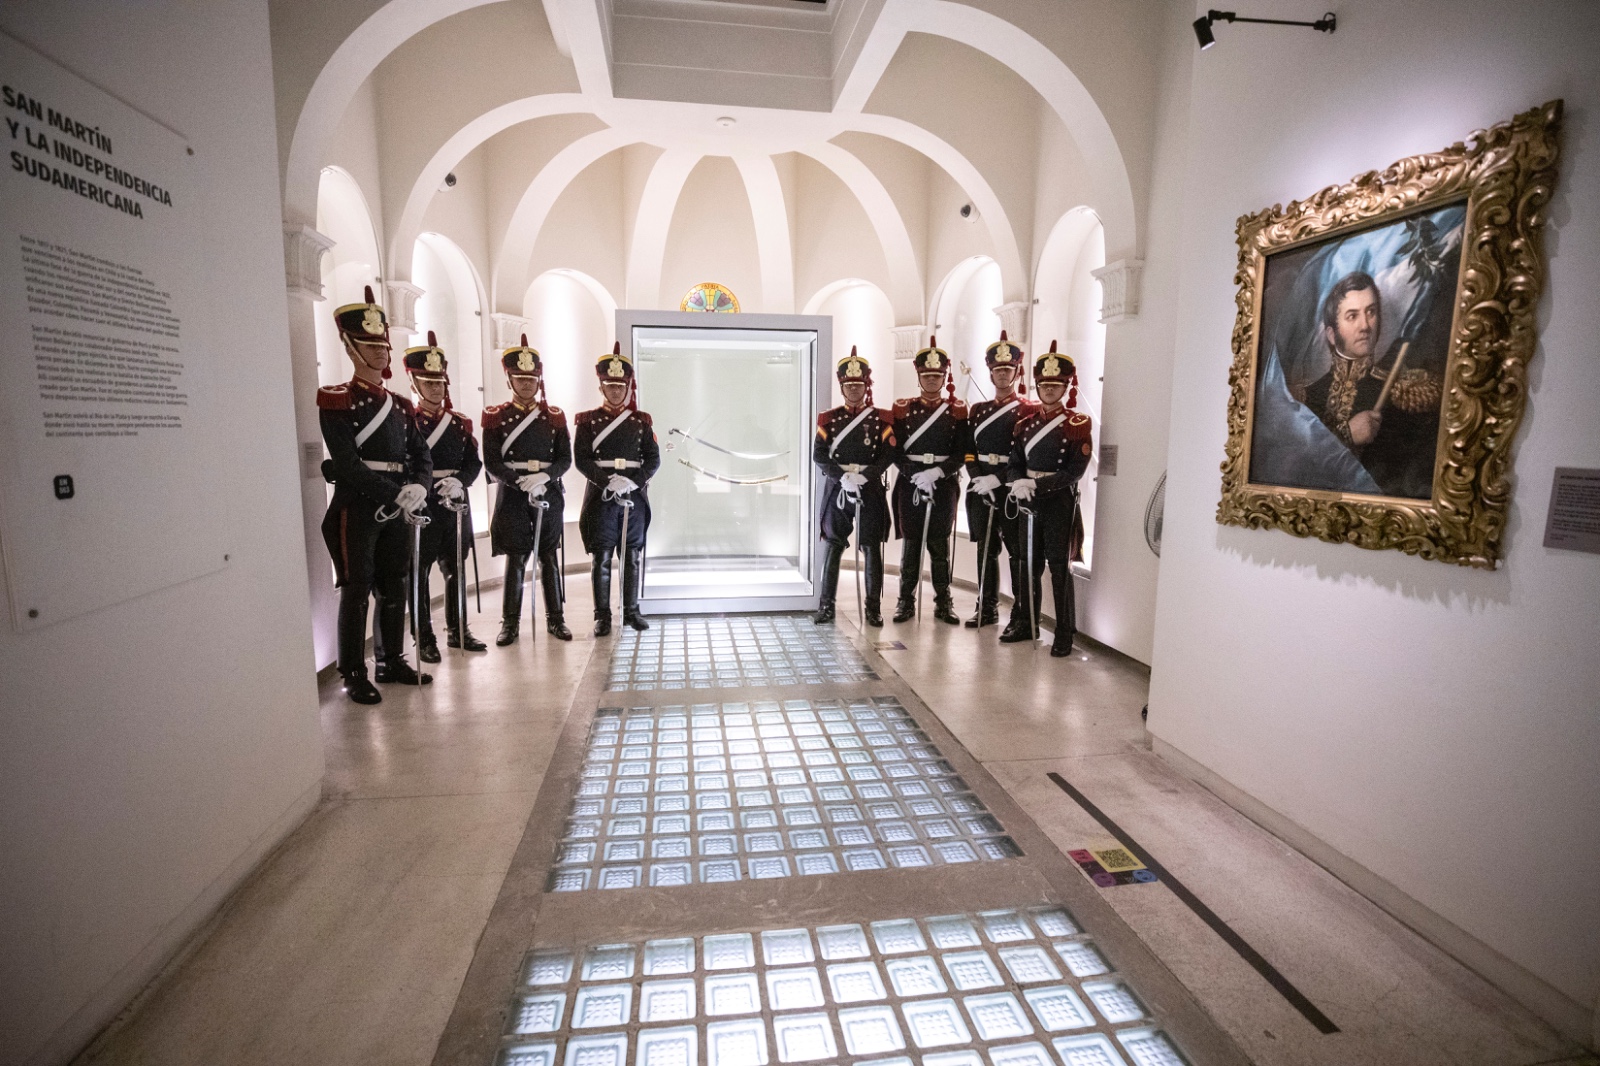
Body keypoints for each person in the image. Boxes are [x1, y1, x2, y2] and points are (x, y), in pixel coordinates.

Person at [317, 286, 433, 704]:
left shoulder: (402, 405)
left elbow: (420, 454)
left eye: (383, 344)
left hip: (398, 504)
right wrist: (394, 493)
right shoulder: (337, 399)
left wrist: (419, 485)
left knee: (394, 584)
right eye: (370, 345)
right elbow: (347, 464)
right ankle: (352, 670)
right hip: (359, 507)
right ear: (350, 347)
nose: (381, 352)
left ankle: (390, 659)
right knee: (357, 587)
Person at [1301, 271, 1442, 497]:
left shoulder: (1400, 394)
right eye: (1352, 316)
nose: (1365, 325)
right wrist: (1346, 434)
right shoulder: (1305, 397)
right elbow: (1294, 466)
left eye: (1371, 312)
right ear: (1331, 334)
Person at [401, 332, 486, 660]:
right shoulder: (406, 423)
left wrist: (461, 482)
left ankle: (458, 631)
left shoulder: (460, 424)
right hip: (421, 507)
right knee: (418, 575)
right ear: (415, 384)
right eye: (428, 382)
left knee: (456, 571)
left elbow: (473, 464)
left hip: (453, 507)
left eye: (440, 383)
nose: (436, 388)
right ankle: (423, 637)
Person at [483, 335, 572, 645]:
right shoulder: (496, 417)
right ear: (510, 379)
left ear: (539, 380)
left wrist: (545, 477)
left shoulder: (555, 417)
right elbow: (491, 461)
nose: (526, 384)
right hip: (513, 494)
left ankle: (556, 619)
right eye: (520, 379)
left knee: (548, 556)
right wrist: (516, 480)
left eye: (531, 379)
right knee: (516, 558)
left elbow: (565, 459)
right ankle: (510, 623)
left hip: (547, 492)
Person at [1005, 341, 1093, 657]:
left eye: (1055, 386)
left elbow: (1074, 471)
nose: (1049, 391)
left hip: (1058, 502)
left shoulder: (1077, 424)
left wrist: (1036, 486)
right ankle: (1028, 622)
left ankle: (1064, 632)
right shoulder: (1024, 425)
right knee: (1029, 566)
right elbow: (1014, 462)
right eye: (1044, 385)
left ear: (1066, 387)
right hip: (1028, 500)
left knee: (1059, 568)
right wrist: (1017, 482)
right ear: (1038, 386)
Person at [575, 343, 660, 636]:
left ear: (628, 388)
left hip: (633, 497)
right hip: (602, 497)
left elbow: (653, 458)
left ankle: (632, 612)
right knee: (602, 557)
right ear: (601, 386)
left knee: (632, 555)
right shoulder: (587, 421)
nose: (615, 391)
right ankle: (602, 616)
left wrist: (633, 481)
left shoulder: (641, 421)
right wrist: (607, 480)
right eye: (610, 385)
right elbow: (581, 458)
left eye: (620, 386)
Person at [813, 347, 896, 627]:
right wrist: (841, 477)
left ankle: (873, 608)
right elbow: (819, 454)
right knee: (834, 546)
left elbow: (888, 454)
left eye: (858, 385)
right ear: (841, 387)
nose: (853, 390)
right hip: (838, 490)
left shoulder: (880, 419)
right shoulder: (829, 419)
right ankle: (826, 606)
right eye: (848, 385)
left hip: (869, 489)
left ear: (866, 386)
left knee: (872, 547)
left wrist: (868, 475)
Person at [890, 337, 967, 625]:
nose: (932, 381)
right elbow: (894, 450)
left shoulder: (956, 410)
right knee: (911, 546)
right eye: (927, 376)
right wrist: (914, 474)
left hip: (942, 484)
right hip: (910, 483)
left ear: (944, 377)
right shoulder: (902, 409)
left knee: (939, 547)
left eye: (937, 376)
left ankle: (943, 603)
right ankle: (905, 602)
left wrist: (937, 472)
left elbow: (962, 452)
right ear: (919, 377)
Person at [963, 330, 1035, 630]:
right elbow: (969, 451)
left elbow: (1027, 458)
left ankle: (1020, 614)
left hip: (1011, 488)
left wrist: (998, 480)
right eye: (997, 370)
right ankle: (987, 606)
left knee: (1017, 553)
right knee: (986, 550)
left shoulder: (1028, 410)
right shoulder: (978, 411)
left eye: (1007, 369)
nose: (1002, 374)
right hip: (981, 488)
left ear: (1016, 372)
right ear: (990, 375)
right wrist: (979, 479)